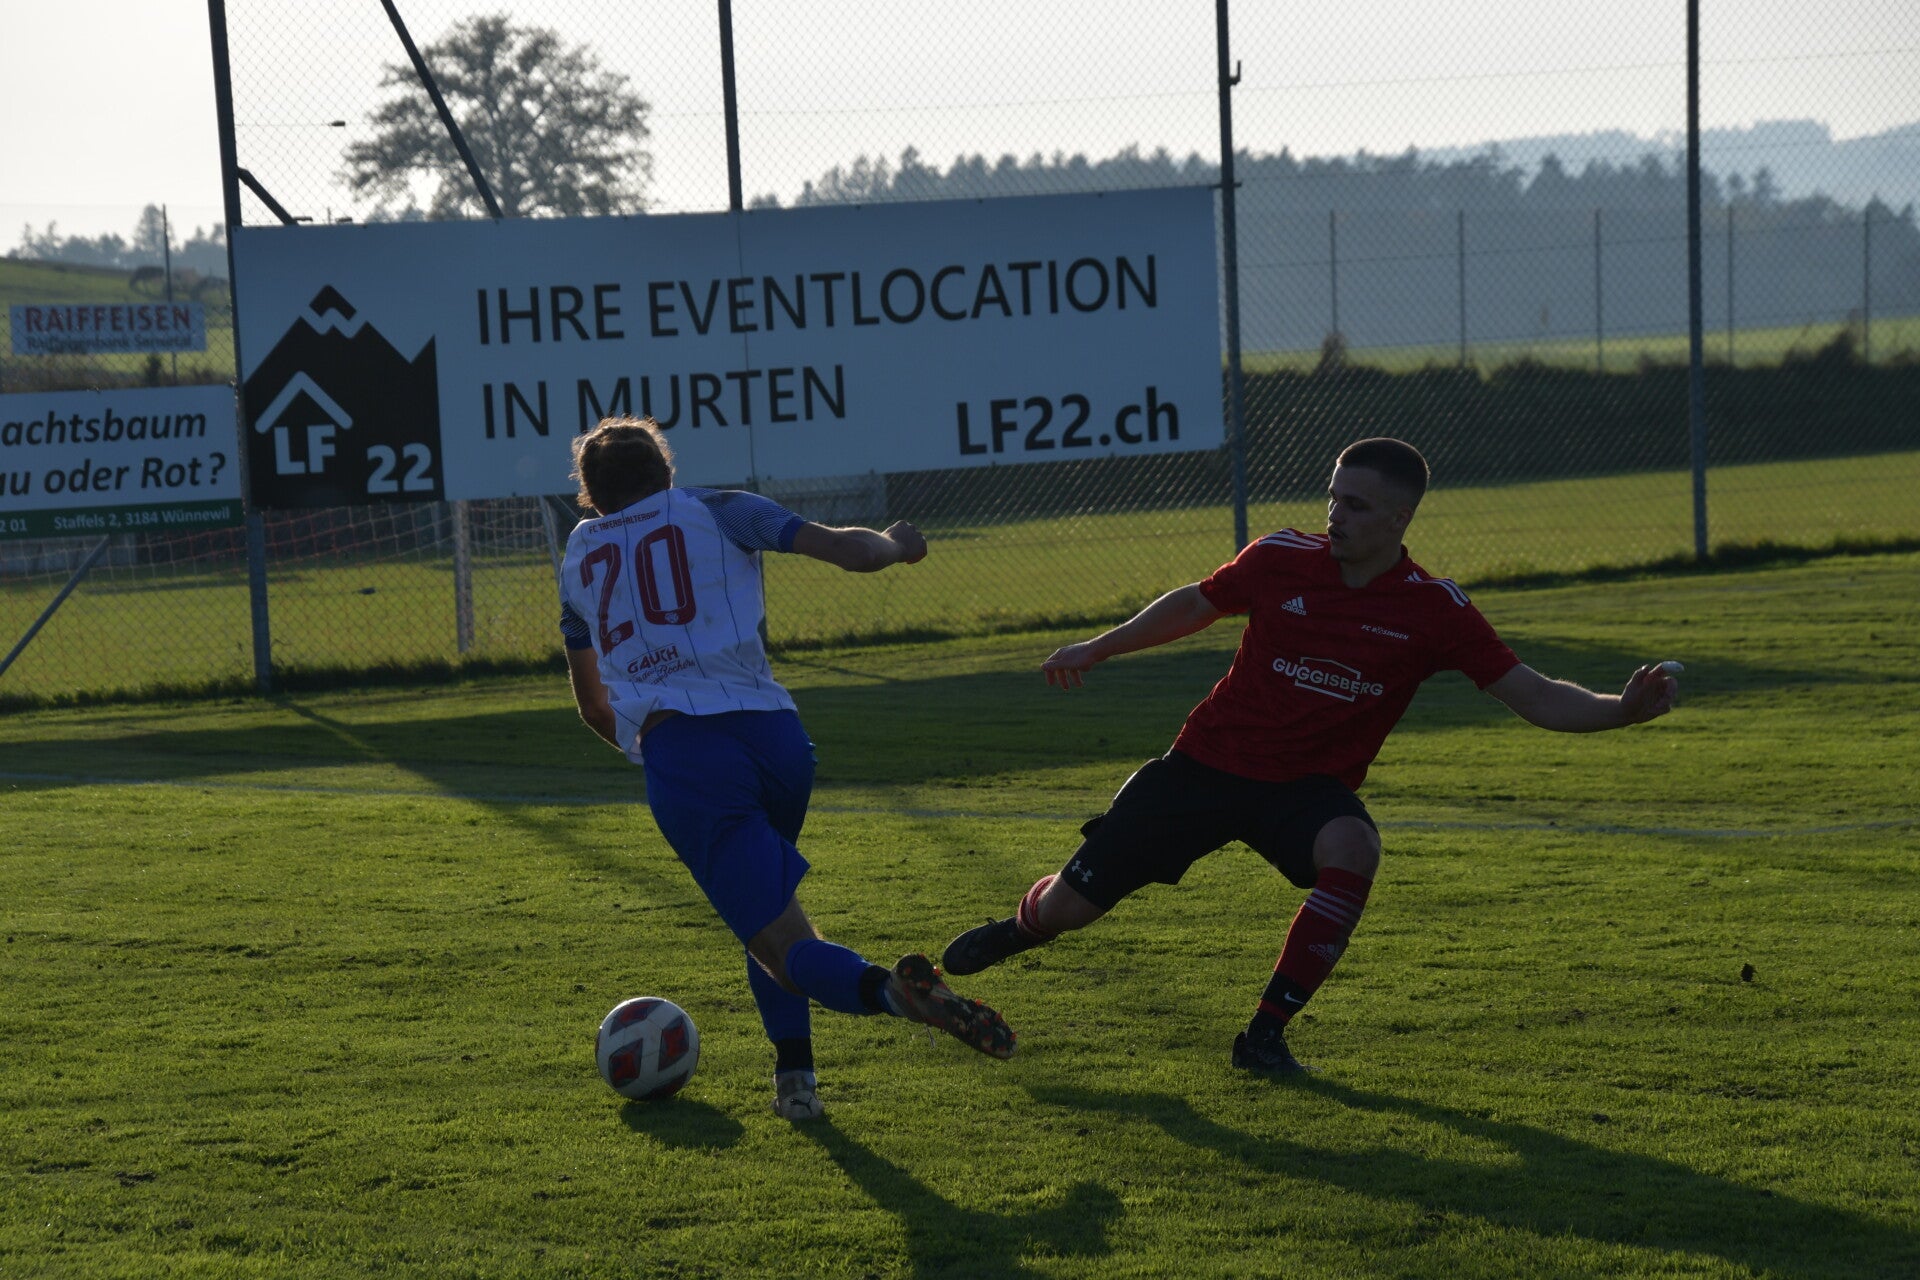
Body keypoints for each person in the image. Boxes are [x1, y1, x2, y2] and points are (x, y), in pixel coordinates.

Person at [942, 437, 1678, 1074]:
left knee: (1354, 846)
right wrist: (1099, 647)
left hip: (1302, 789)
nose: (1336, 515)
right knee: (1068, 911)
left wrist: (1621, 710)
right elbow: (1195, 603)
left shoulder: (1434, 610)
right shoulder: (1281, 559)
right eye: (1333, 498)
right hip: (1205, 766)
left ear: (1400, 518)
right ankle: (1021, 928)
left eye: (1356, 505)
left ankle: (1264, 1036)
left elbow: (1535, 694)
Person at [559, 416, 1014, 1121]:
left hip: (689, 757)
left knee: (781, 940)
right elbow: (850, 552)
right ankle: (795, 1082)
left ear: (590, 495)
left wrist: (654, 759)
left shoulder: (581, 554)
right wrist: (897, 543)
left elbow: (593, 703)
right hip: (776, 739)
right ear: (667, 472)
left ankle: (893, 993)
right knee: (767, 919)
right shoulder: (721, 508)